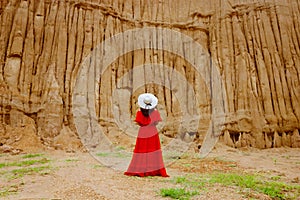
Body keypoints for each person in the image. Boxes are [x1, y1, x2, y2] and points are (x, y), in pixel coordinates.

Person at [124, 93, 169, 177]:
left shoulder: (139, 112)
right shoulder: (154, 112)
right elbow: (156, 122)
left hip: (143, 132)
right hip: (152, 131)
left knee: (142, 148)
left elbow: (138, 122)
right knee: (153, 149)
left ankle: (140, 168)